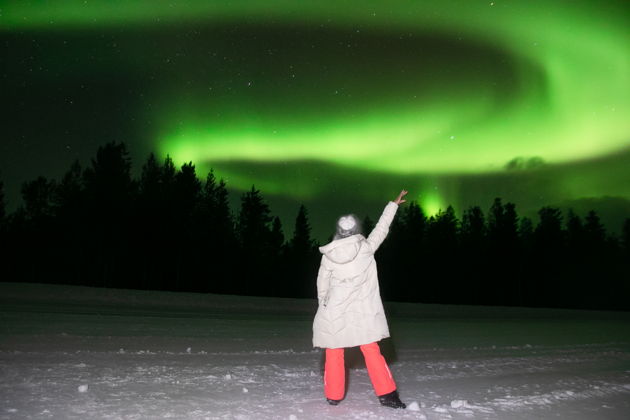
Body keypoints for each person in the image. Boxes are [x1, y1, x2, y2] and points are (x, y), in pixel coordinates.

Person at [312, 190, 408, 409]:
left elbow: (321, 286)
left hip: (335, 310)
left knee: (334, 350)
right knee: (371, 351)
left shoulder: (329, 257)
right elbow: (381, 230)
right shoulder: (366, 249)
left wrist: (323, 306)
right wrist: (392, 205)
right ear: (355, 230)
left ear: (338, 231)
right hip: (363, 311)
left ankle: (333, 395)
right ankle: (388, 395)